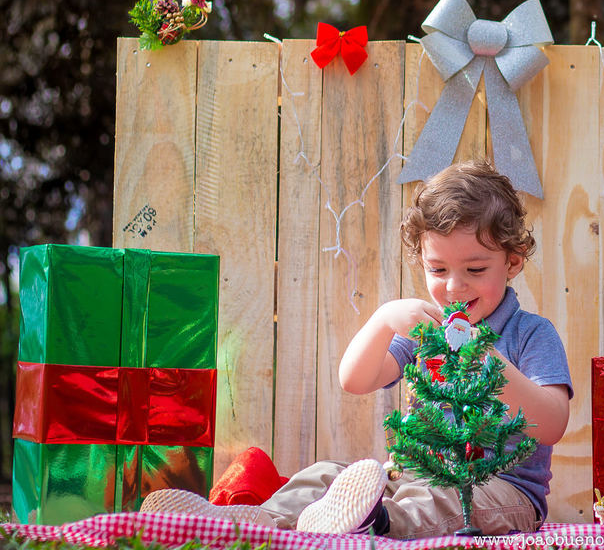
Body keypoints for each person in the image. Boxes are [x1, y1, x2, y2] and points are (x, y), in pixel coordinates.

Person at [141, 159, 573, 538]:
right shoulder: (428, 332)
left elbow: (552, 424)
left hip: (499, 492)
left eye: (475, 270)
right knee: (325, 474)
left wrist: (482, 355)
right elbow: (355, 379)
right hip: (409, 478)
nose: (454, 287)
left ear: (512, 261)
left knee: (445, 503)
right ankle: (248, 522)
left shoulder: (531, 334)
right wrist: (385, 318)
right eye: (437, 269)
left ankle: (375, 522)